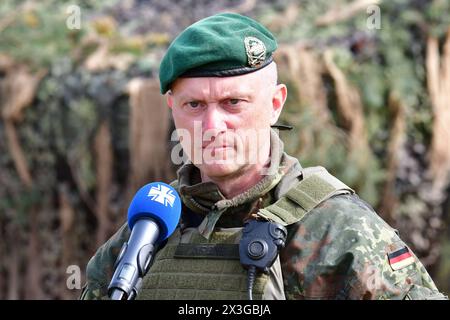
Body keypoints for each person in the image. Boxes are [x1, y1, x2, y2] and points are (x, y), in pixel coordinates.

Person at [80, 13, 447, 300]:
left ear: (275, 104)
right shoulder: (149, 230)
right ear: (172, 109)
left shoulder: (336, 230)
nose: (213, 125)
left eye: (232, 103)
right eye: (194, 105)